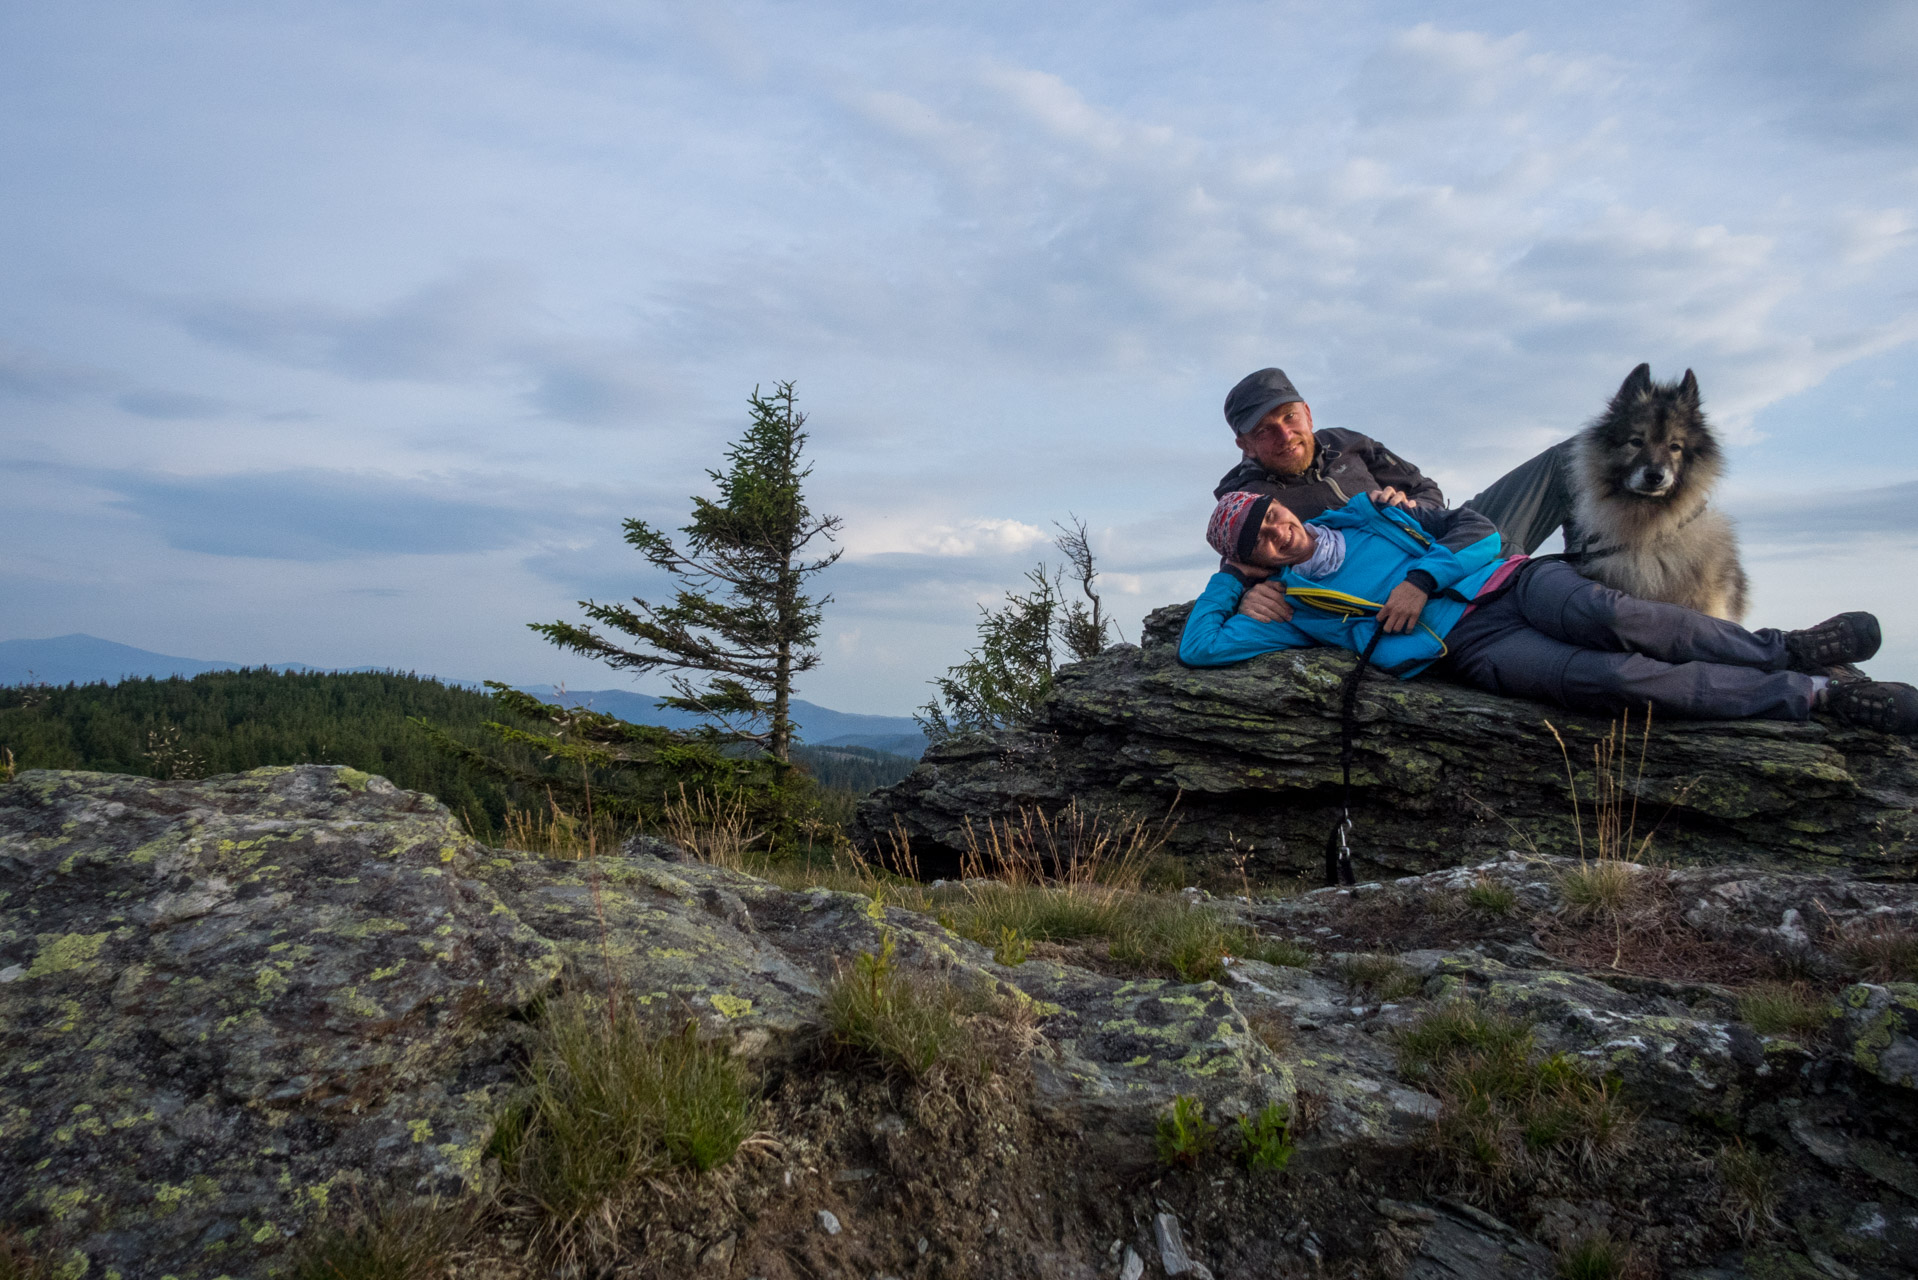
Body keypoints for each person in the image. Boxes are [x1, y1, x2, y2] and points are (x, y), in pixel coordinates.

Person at [1177, 489, 1918, 732]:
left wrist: (1422, 581)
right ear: (1253, 557)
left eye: (1269, 516)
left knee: (1629, 619)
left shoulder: (1373, 512)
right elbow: (1198, 651)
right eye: (1256, 541)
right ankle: (1817, 697)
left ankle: (1785, 648)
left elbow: (1479, 531)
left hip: (1513, 583)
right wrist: (1229, 579)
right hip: (1471, 651)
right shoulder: (1292, 607)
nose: (1276, 531)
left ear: (1282, 507)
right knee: (1615, 681)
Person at [1214, 366, 1576, 561]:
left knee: (1570, 459)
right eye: (1265, 430)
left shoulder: (1344, 441)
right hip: (1396, 573)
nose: (1285, 434)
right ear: (1244, 445)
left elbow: (1424, 487)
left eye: (1290, 416)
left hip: (1448, 534)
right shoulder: (1244, 497)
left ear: (1307, 413)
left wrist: (1416, 506)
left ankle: (1597, 568)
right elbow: (1238, 559)